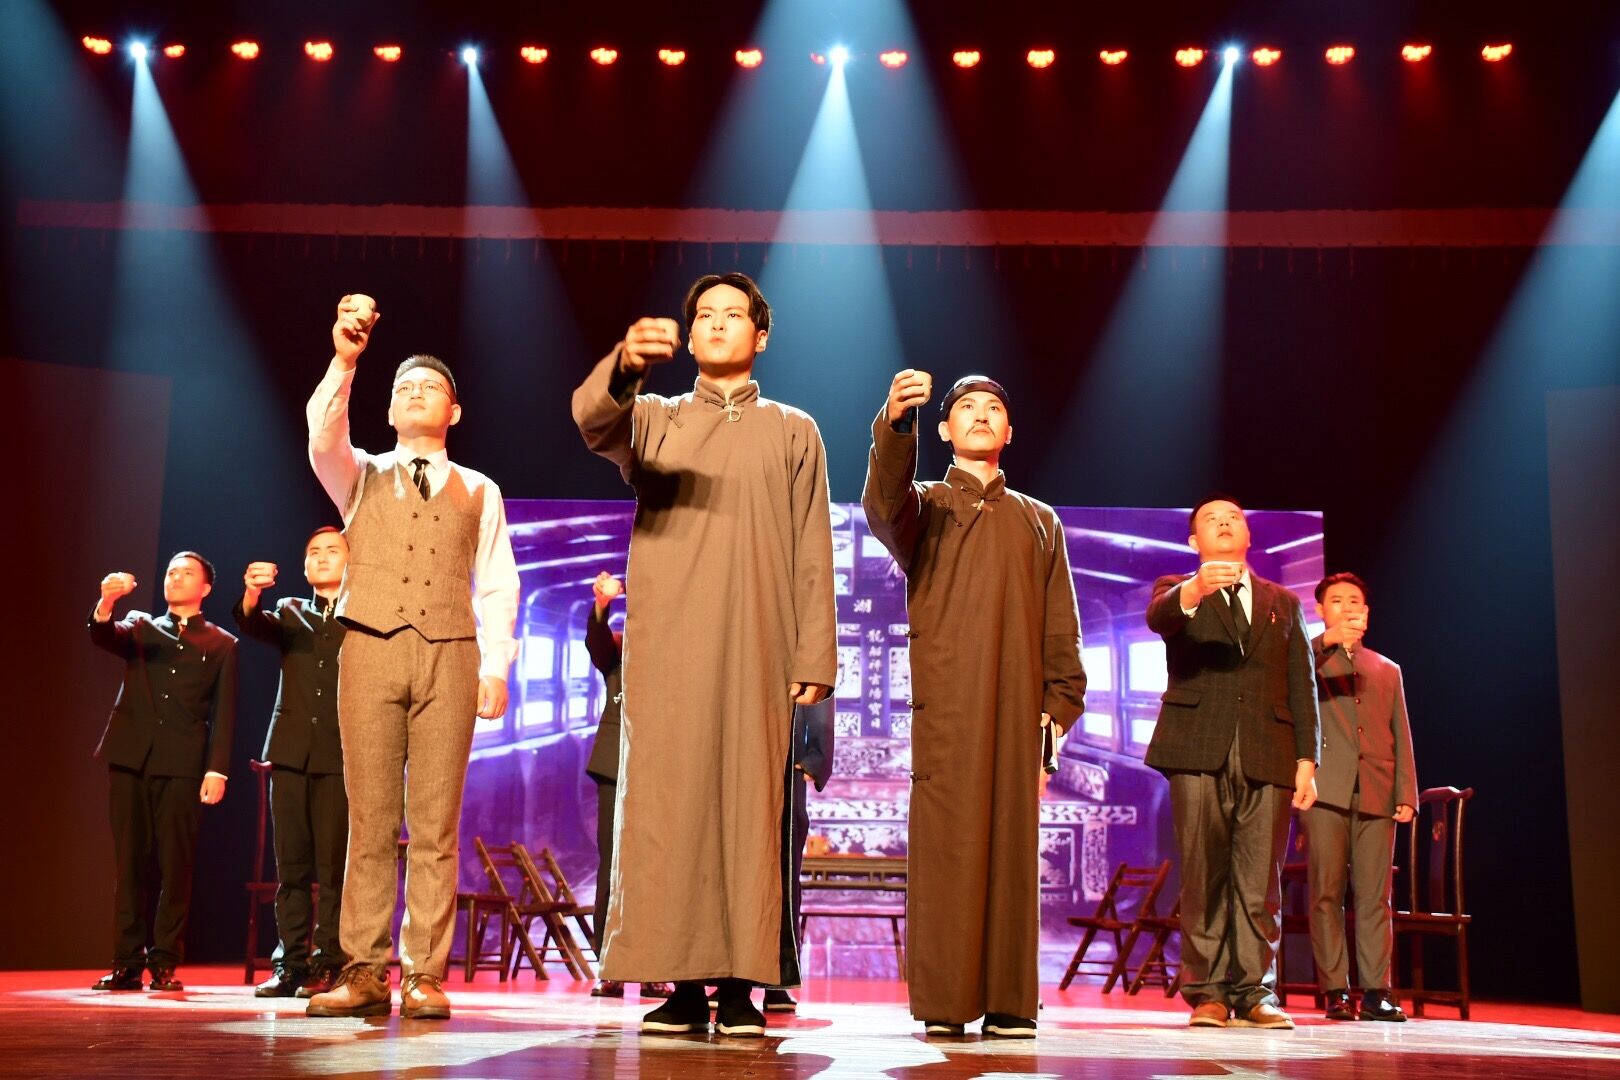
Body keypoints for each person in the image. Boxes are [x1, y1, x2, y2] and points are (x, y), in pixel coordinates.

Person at [571, 272, 836, 1037]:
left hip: (760, 641)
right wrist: (626, 363)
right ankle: (682, 984)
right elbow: (593, 421)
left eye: (734, 314)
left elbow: (812, 548)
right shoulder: (654, 417)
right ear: (688, 337)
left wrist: (814, 652)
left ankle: (744, 985)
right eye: (705, 316)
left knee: (752, 811)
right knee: (671, 808)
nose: (718, 324)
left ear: (761, 335)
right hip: (670, 645)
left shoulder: (794, 430)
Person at [303, 294, 520, 1020]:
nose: (415, 393)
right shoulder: (360, 474)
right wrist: (346, 360)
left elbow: (498, 581)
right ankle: (364, 969)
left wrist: (497, 666)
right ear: (390, 409)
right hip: (369, 649)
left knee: (434, 824)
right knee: (370, 820)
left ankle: (425, 972)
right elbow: (322, 437)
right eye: (403, 388)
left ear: (454, 411)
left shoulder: (480, 489)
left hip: (450, 657)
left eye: (429, 386)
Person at [862, 371, 1087, 1038]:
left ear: (1010, 431)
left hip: (1018, 712)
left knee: (1013, 852)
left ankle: (1011, 1001)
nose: (981, 415)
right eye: (966, 407)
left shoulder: (1039, 520)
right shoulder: (926, 506)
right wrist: (895, 425)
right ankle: (946, 1003)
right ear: (944, 428)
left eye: (994, 408)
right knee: (948, 850)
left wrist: (1057, 709)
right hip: (949, 708)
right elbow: (883, 504)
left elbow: (1060, 626)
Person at [1144, 496, 1320, 1029]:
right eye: (1210, 519)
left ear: (1247, 535)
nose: (1224, 522)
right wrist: (1195, 588)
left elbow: (1302, 682)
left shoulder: (1282, 601)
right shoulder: (1176, 589)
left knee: (1259, 882)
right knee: (1202, 875)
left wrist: (1308, 759)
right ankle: (1208, 993)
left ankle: (1255, 991)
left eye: (1233, 517)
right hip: (1196, 747)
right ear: (1194, 541)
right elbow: (1160, 618)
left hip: (1269, 750)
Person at [89, 552, 237, 993]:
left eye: (186, 573)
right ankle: (126, 962)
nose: (175, 578)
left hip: (183, 762)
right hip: (131, 757)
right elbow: (103, 634)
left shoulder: (222, 643)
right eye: (171, 572)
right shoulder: (140, 625)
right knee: (129, 862)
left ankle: (166, 961)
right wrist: (106, 602)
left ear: (205, 588)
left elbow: (225, 713)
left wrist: (217, 770)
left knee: (176, 865)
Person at [233, 527, 350, 999]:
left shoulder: (363, 616)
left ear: (350, 561)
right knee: (292, 865)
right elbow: (252, 624)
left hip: (341, 753)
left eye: (332, 551)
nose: (322, 558)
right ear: (303, 567)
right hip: (289, 751)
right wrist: (252, 592)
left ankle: (331, 962)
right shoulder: (290, 611)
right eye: (313, 553)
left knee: (334, 867)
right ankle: (290, 964)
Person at [1304, 572, 1418, 1023]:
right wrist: (1326, 643)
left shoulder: (1387, 669)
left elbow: (1400, 733)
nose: (1347, 607)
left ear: (1366, 613)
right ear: (1320, 610)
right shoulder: (1308, 658)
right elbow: (1288, 673)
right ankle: (1335, 990)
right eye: (1337, 600)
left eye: (1355, 601)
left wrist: (1405, 791)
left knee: (1375, 896)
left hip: (1376, 789)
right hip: (1325, 790)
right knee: (1326, 893)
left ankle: (1376, 991)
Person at [582, 570, 672, 1001]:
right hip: (615, 765)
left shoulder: (678, 650)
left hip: (664, 769)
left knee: (659, 867)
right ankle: (609, 965)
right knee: (612, 865)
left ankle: (656, 967)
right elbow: (597, 642)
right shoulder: (618, 649)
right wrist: (602, 605)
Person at [763, 698, 837, 1014]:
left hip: (784, 758)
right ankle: (724, 978)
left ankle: (779, 979)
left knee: (783, 874)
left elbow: (818, 689)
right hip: (743, 754)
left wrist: (814, 758)